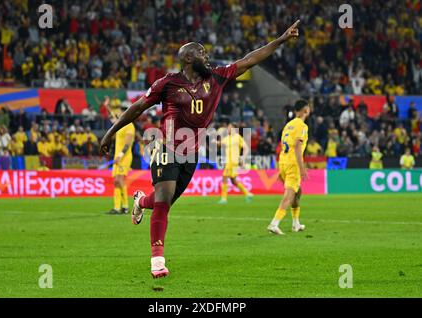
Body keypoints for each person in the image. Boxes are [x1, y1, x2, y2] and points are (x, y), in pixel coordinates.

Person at [100, 20, 301, 278]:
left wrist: (281, 39)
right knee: (163, 200)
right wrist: (110, 131)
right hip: (166, 147)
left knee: (164, 201)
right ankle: (157, 260)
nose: (207, 56)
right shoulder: (168, 83)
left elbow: (249, 60)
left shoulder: (216, 77)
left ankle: (140, 200)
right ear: (187, 59)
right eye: (201, 53)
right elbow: (138, 107)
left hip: (191, 153)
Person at [267, 100, 310, 235]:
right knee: (290, 194)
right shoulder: (302, 126)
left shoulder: (288, 125)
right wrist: (302, 168)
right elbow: (297, 146)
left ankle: (296, 223)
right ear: (305, 110)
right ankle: (274, 223)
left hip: (283, 162)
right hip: (293, 164)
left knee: (298, 192)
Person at [106, 101, 135, 215]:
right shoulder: (120, 123)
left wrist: (120, 155)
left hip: (124, 157)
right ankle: (119, 207)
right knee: (116, 182)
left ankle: (124, 207)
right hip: (118, 157)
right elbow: (111, 115)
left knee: (119, 180)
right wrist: (107, 105)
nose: (121, 111)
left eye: (124, 109)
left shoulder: (130, 126)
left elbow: (128, 144)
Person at [218, 123, 253, 204]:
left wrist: (243, 157)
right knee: (233, 181)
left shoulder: (238, 137)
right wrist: (215, 141)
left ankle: (223, 199)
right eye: (228, 127)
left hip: (233, 162)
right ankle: (248, 194)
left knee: (224, 177)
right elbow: (220, 144)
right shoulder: (227, 138)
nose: (228, 129)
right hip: (228, 161)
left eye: (230, 127)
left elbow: (246, 148)